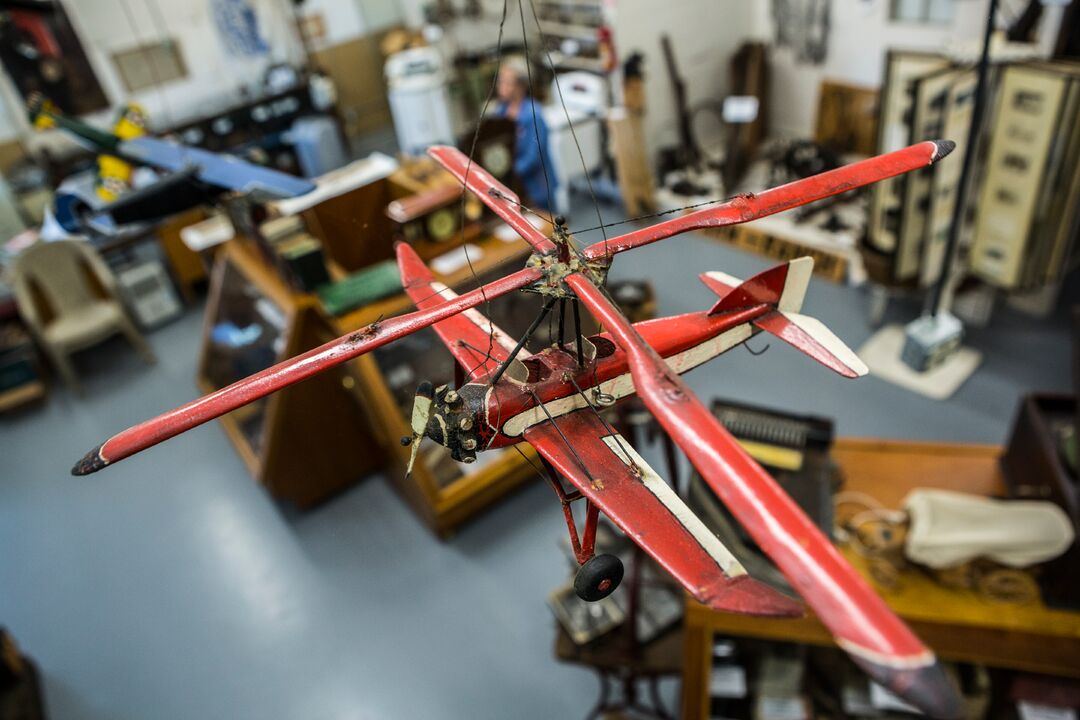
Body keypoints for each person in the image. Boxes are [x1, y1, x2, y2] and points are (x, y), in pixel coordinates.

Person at [494, 57, 558, 213]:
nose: (500, 87)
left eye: (507, 82)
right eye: (500, 81)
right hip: (513, 187)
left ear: (521, 86)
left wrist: (507, 174)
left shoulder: (533, 114)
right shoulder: (501, 112)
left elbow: (533, 157)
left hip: (537, 187)